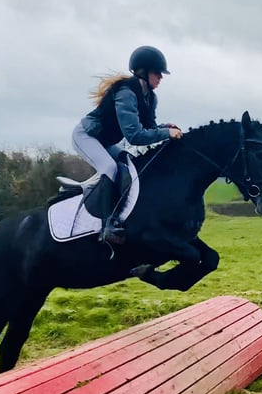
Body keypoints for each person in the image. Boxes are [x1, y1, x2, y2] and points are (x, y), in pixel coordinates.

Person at [72, 45, 182, 245]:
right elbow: (134, 136)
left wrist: (166, 127)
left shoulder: (150, 97)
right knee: (110, 168)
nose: (161, 78)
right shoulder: (126, 92)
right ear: (144, 71)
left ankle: (121, 215)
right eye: (157, 73)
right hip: (86, 136)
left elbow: (148, 127)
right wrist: (166, 133)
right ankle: (107, 226)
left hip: (104, 141)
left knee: (128, 164)